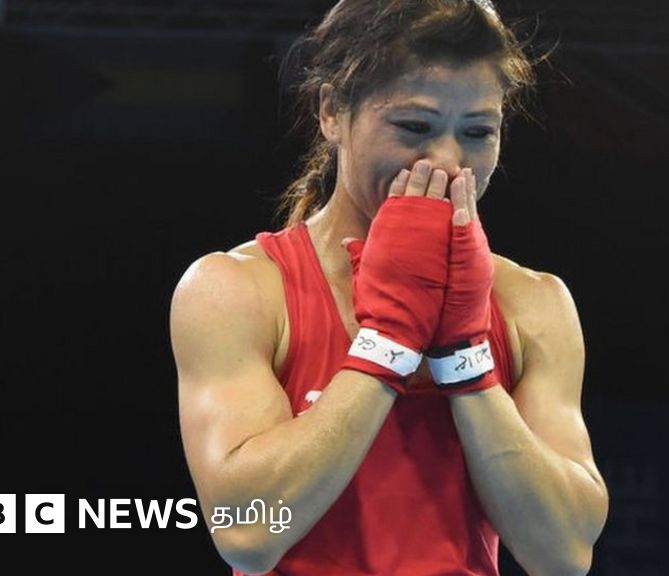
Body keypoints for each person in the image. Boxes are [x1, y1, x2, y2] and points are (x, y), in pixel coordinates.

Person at [170, 1, 608, 574]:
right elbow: (246, 531)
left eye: (478, 132)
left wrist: (463, 357)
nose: (448, 163)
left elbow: (564, 554)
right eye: (414, 128)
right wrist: (392, 337)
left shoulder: (532, 303)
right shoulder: (237, 291)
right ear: (332, 111)